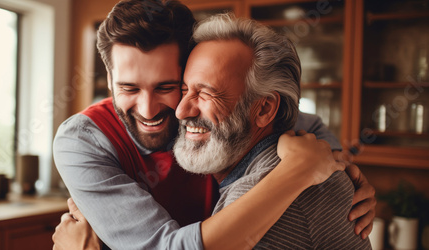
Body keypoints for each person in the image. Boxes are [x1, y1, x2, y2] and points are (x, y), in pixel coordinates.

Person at [52, 0, 376, 249]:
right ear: (108, 79)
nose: (152, 110)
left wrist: (335, 165)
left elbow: (295, 121)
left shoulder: (203, 115)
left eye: (168, 87)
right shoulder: (84, 140)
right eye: (128, 88)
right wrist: (305, 169)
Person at [173, 14, 371, 249]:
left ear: (264, 108)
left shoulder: (259, 198)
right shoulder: (291, 166)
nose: (181, 110)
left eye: (206, 93)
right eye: (184, 90)